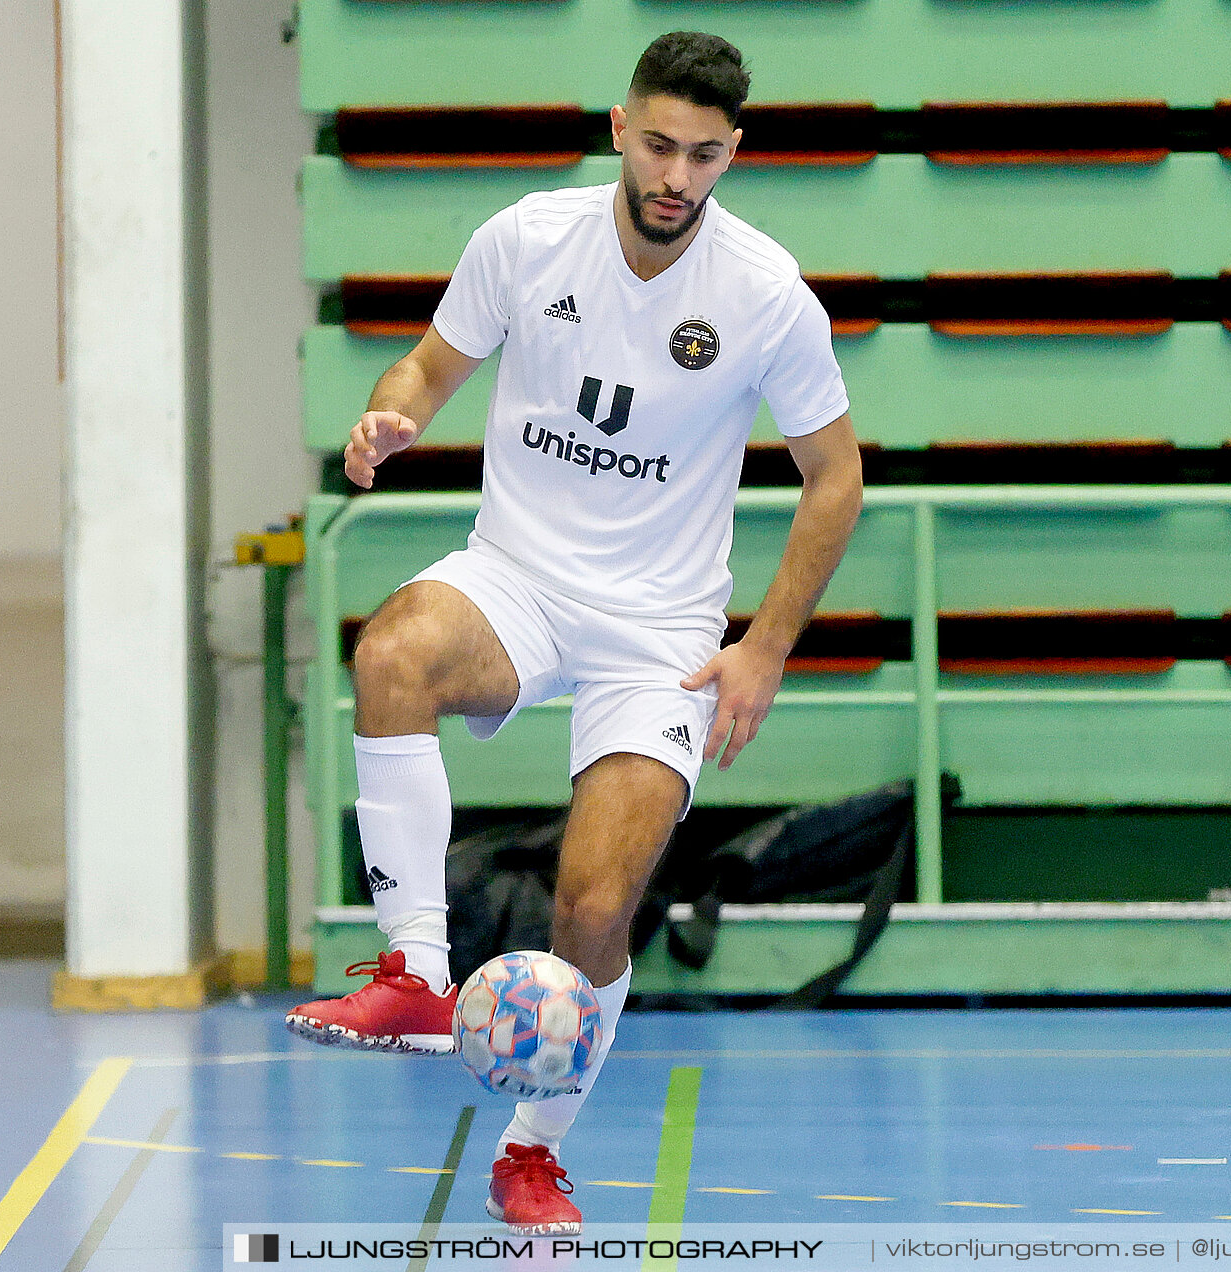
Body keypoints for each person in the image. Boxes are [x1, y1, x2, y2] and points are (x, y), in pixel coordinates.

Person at [284, 31, 862, 1236]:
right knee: (389, 651)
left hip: (660, 630)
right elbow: (427, 369)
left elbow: (834, 476)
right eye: (659, 144)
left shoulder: (765, 295)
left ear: (732, 153)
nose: (677, 176)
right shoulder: (526, 239)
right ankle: (412, 976)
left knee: (595, 907)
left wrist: (765, 647)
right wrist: (389, 420)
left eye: (705, 155)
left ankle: (532, 1154)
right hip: (520, 577)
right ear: (619, 128)